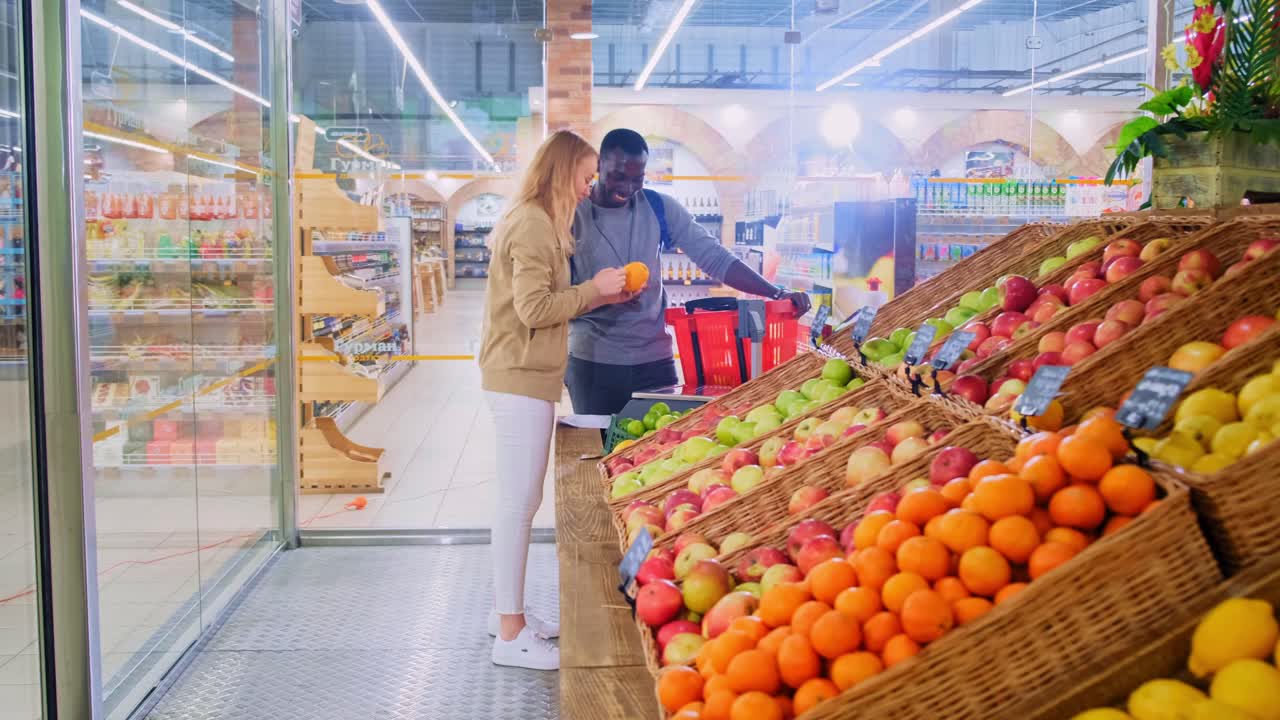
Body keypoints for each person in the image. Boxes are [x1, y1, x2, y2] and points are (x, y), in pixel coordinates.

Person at [478, 130, 636, 670]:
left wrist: (600, 291)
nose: (590, 185)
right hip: (518, 376)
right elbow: (533, 309)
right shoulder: (531, 224)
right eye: (586, 175)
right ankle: (508, 632)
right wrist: (594, 289)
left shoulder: (544, 222)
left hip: (531, 376)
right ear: (562, 170)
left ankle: (512, 614)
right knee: (518, 504)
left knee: (519, 502)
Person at [566, 128, 812, 416]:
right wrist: (603, 295)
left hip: (655, 361)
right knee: (598, 450)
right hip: (594, 364)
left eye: (638, 177)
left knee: (662, 450)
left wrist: (776, 292)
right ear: (599, 166)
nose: (629, 187)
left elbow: (715, 257)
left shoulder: (658, 207)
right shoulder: (572, 216)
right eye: (619, 176)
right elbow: (557, 299)